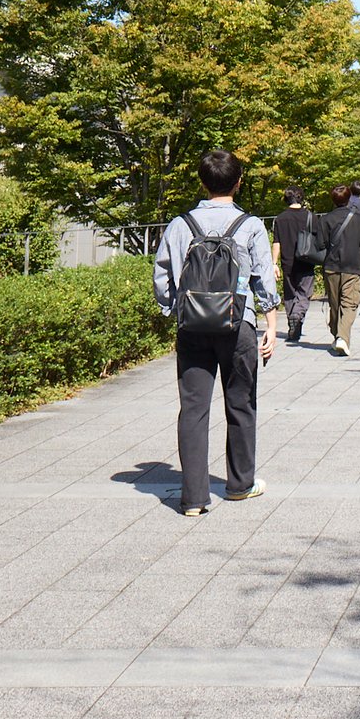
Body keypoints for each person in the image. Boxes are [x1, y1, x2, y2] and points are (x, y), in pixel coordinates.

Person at [153, 148, 280, 516]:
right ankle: (240, 485)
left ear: (202, 182)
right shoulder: (250, 225)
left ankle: (193, 499)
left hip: (192, 325)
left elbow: (161, 275)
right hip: (238, 325)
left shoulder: (181, 225)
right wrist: (271, 324)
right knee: (241, 403)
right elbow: (263, 278)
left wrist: (172, 309)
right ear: (238, 182)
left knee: (193, 409)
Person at [318, 183, 360, 356]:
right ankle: (342, 338)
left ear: (333, 200)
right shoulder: (359, 218)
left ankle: (337, 335)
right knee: (350, 303)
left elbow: (319, 244)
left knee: (334, 303)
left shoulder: (325, 219)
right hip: (353, 266)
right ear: (349, 197)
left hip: (331, 266)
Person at [273, 187, 317, 345]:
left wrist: (274, 263)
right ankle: (296, 317)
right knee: (304, 293)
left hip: (287, 262)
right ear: (301, 198)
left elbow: (276, 242)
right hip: (307, 261)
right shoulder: (310, 217)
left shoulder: (280, 218)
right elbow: (319, 239)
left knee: (290, 295)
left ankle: (294, 329)